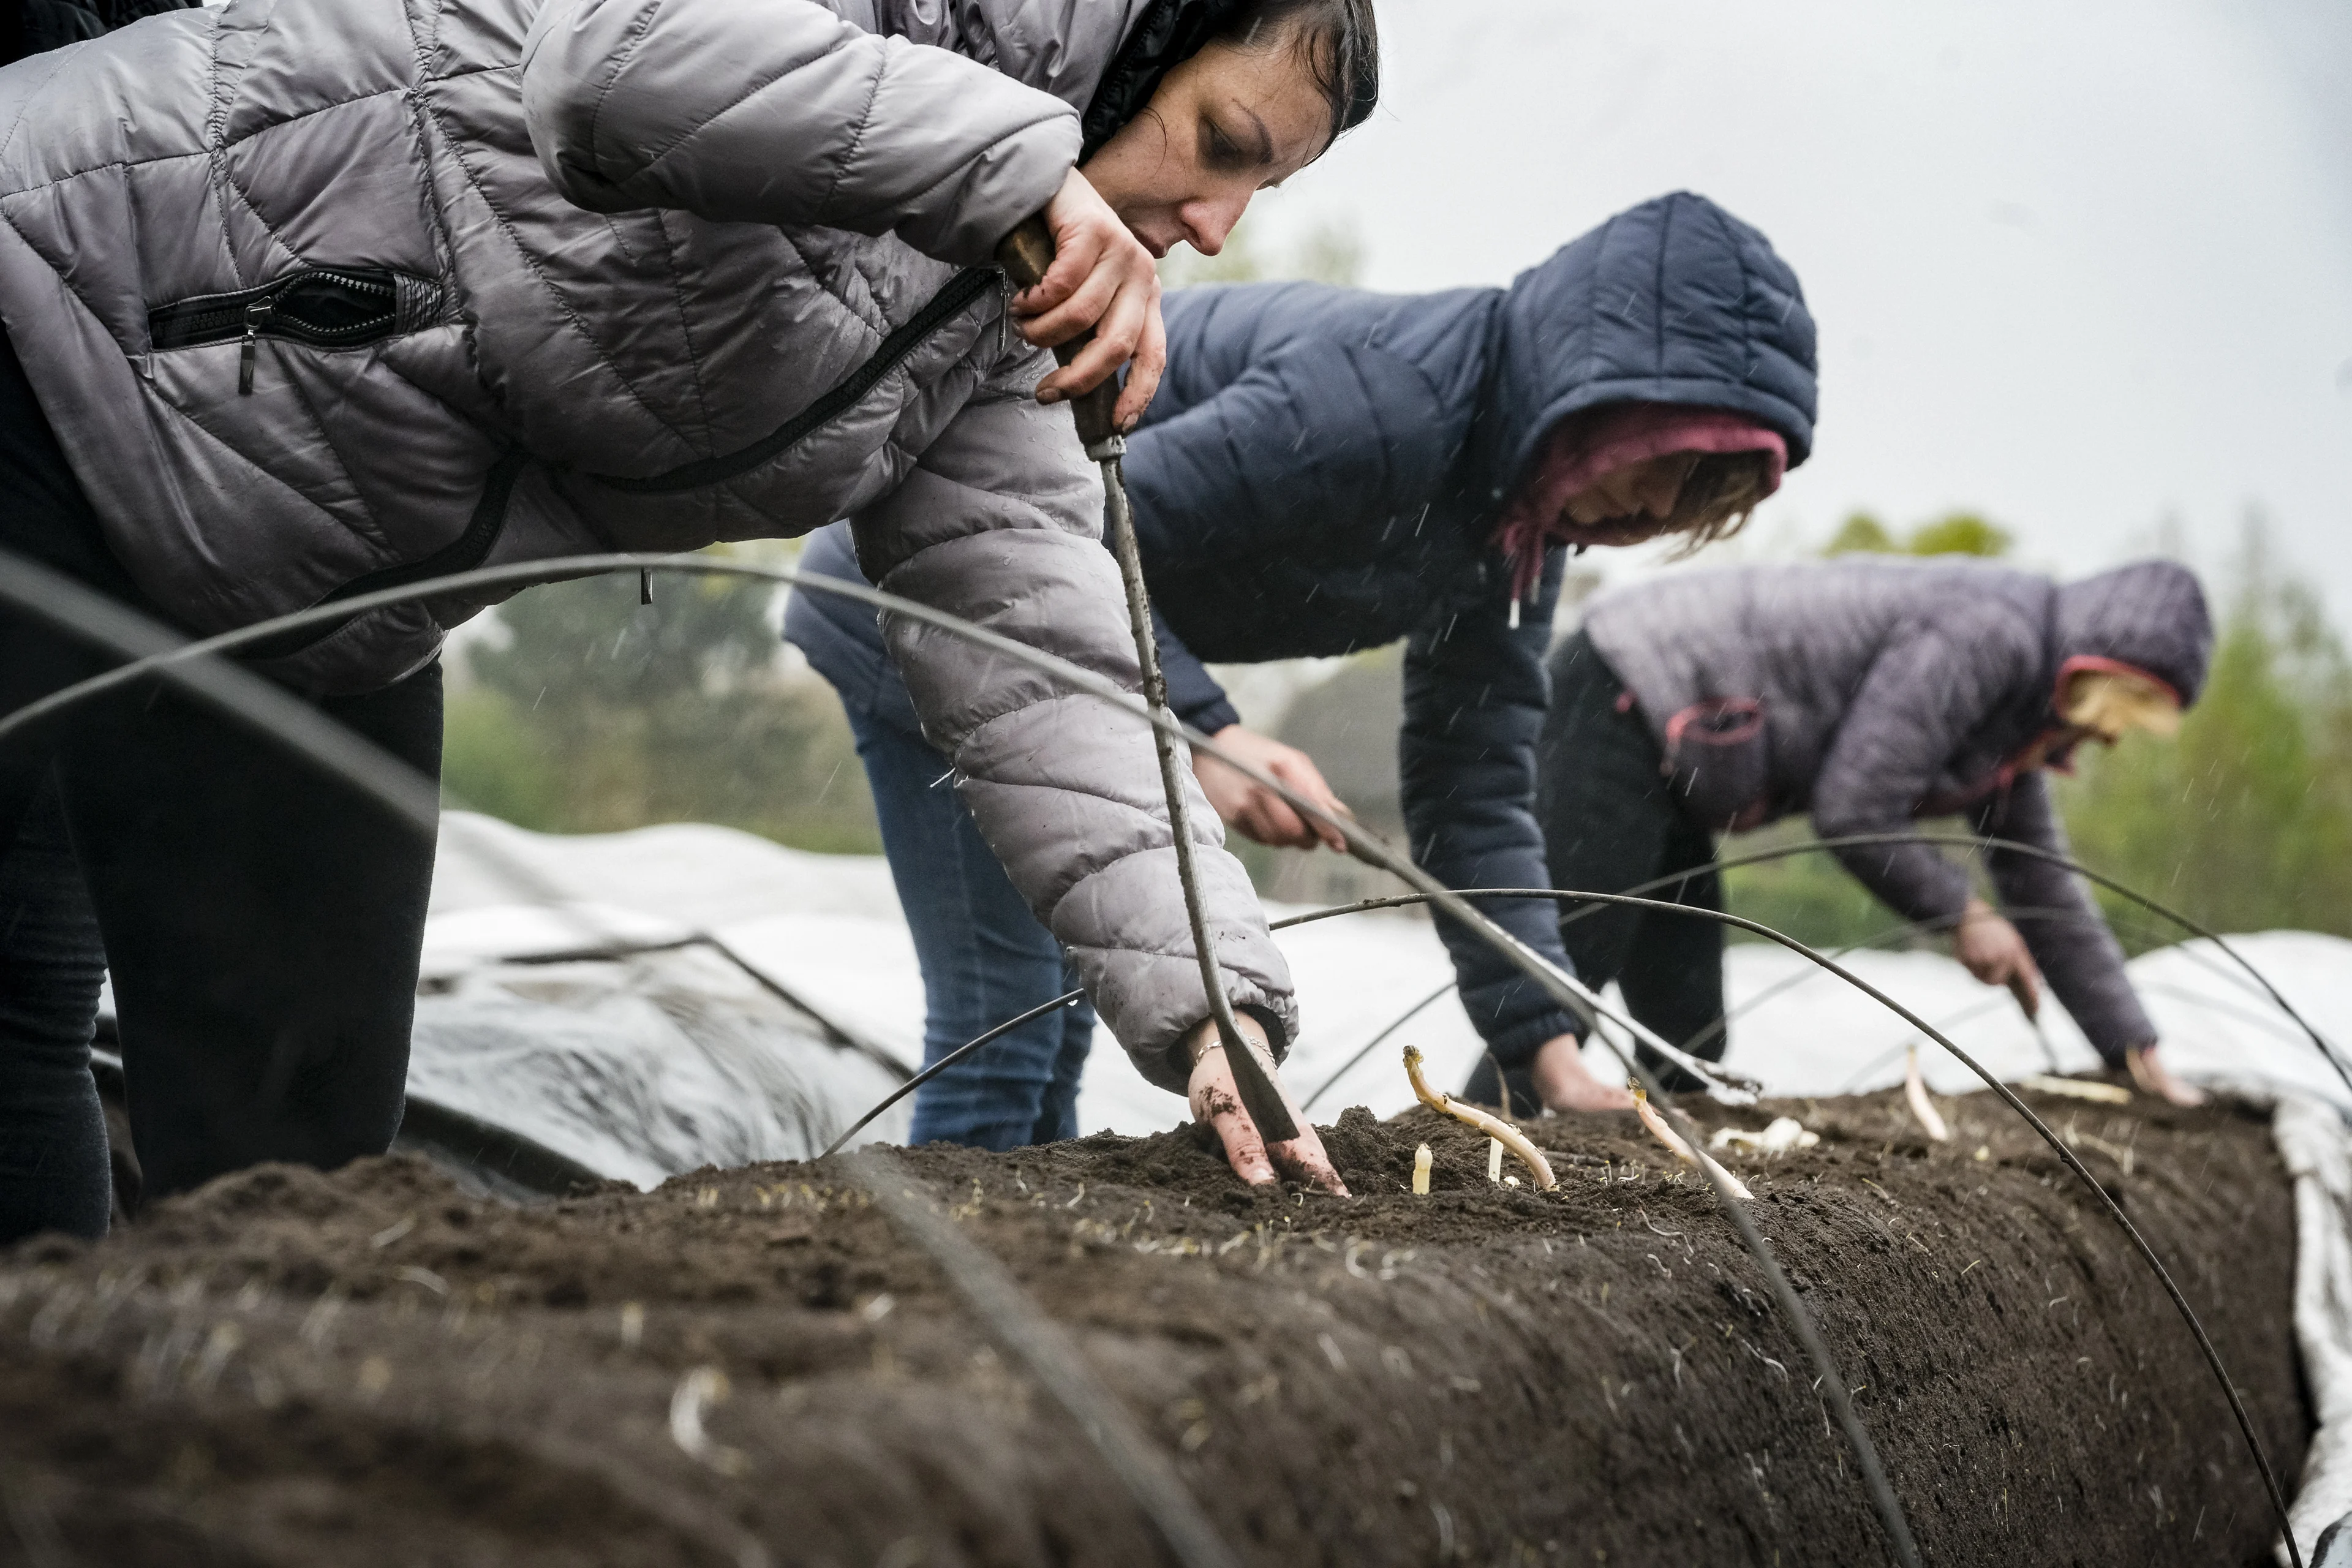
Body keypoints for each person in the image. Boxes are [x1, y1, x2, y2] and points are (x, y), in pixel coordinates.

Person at [0, 0, 1381, 1244]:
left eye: (1261, 186)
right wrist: (1015, 166)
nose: (1215, 222)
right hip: (65, 335)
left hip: (317, 580)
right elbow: (613, 65)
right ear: (1134, 48)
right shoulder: (910, 30)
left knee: (293, 1169)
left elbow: (1043, 648)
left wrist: (1213, 1003)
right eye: (1222, 142)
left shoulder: (996, 314)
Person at [786, 190, 1819, 1146]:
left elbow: (1477, 790)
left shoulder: (1526, 523)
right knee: (1003, 1017)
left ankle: (1008, 1302)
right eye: (1663, 470)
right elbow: (1075, 531)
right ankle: (944, 1326)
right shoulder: (1385, 401)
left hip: (1062, 654)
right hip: (931, 599)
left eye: (1691, 508)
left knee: (1056, 1027)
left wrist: (1547, 1047)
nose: (1649, 519)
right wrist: (1207, 734)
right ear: (1598, 397)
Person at [1522, 556, 2214, 1107]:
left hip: (1675, 767)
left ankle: (1623, 1213)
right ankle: (1464, 1176)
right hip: (1620, 695)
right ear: (2099, 671)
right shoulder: (1988, 637)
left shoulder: (2020, 711)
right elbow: (1855, 808)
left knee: (1687, 1031)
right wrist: (1963, 914)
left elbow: (2041, 884)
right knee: (1559, 997)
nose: (2116, 734)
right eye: (2132, 706)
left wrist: (2131, 1047)